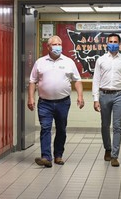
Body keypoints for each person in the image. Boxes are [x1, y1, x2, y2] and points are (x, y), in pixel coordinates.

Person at [28, 35, 84, 168]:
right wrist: (30, 97)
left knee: (61, 129)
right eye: (54, 44)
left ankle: (58, 155)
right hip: (44, 103)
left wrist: (80, 96)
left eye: (59, 44)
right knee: (45, 128)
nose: (58, 47)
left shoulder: (68, 62)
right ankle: (46, 157)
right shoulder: (40, 62)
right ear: (48, 47)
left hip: (63, 102)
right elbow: (32, 81)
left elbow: (77, 80)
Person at [92, 33, 121, 167]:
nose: (113, 43)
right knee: (105, 125)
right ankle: (108, 149)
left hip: (119, 95)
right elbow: (96, 80)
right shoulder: (101, 60)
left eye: (115, 41)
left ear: (120, 44)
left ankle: (115, 156)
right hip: (104, 95)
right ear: (107, 43)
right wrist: (95, 98)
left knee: (117, 126)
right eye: (110, 41)